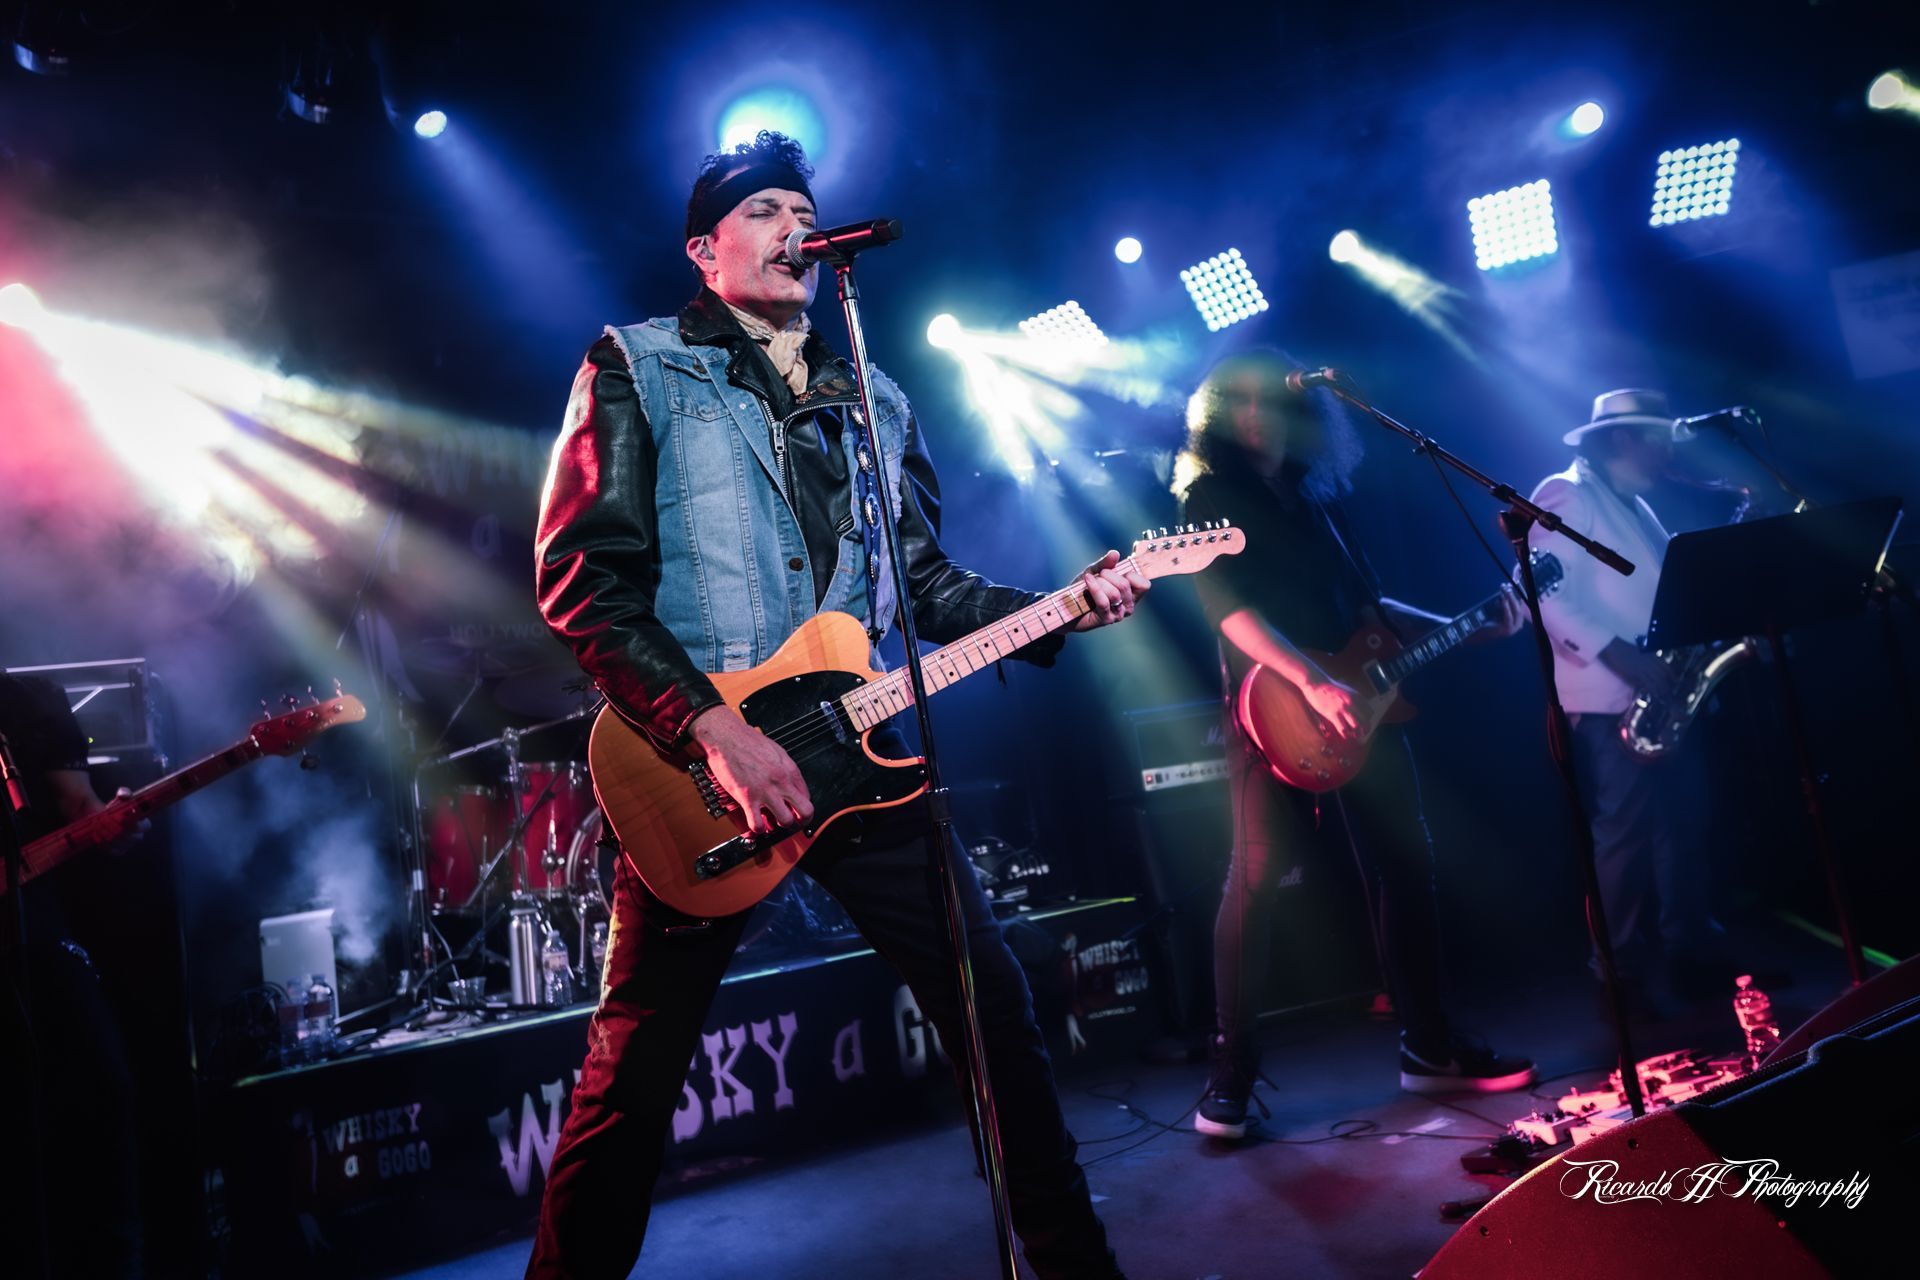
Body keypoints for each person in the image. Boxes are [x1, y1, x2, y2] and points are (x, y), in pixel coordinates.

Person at [528, 132, 1146, 1279]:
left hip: (859, 748)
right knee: (634, 1078)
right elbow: (581, 581)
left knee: (995, 1015)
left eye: (804, 212)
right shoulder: (637, 365)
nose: (793, 230)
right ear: (705, 248)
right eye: (764, 209)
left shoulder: (876, 396)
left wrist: (1061, 605)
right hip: (704, 761)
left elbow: (924, 584)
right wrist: (716, 731)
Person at [1171, 350, 1536, 1142]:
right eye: (1243, 402)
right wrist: (1310, 682)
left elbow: (1370, 614)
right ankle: (1229, 1076)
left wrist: (1472, 626)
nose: (1260, 414)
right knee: (1255, 880)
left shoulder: (1318, 499)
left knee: (1408, 864)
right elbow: (1229, 610)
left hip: (1362, 705)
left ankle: (1429, 1046)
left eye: (1273, 401)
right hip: (1272, 706)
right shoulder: (1212, 497)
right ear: (1222, 414)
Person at [1525, 389, 1721, 1007]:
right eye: (1655, 440)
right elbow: (1541, 591)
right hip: (1611, 693)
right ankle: (1616, 974)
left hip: (1660, 692)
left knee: (1683, 827)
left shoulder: (1633, 504)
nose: (1666, 453)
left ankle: (1690, 953)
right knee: (1626, 837)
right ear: (1619, 439)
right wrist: (1618, 653)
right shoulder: (1566, 494)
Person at [0, 672, 145, 1278]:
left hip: (32, 931)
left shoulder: (27, 702)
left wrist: (115, 822)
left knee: (102, 1088)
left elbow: (79, 807)